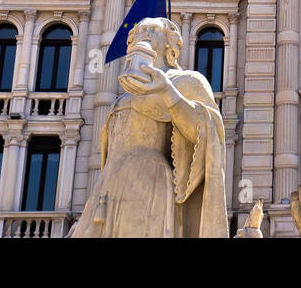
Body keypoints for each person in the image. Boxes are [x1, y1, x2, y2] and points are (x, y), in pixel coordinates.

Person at [71, 16, 228, 238]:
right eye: (139, 31)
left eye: (152, 30)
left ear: (169, 43)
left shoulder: (186, 81)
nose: (143, 34)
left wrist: (167, 91)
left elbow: (207, 132)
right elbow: (110, 158)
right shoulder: (123, 96)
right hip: (108, 189)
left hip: (149, 183)